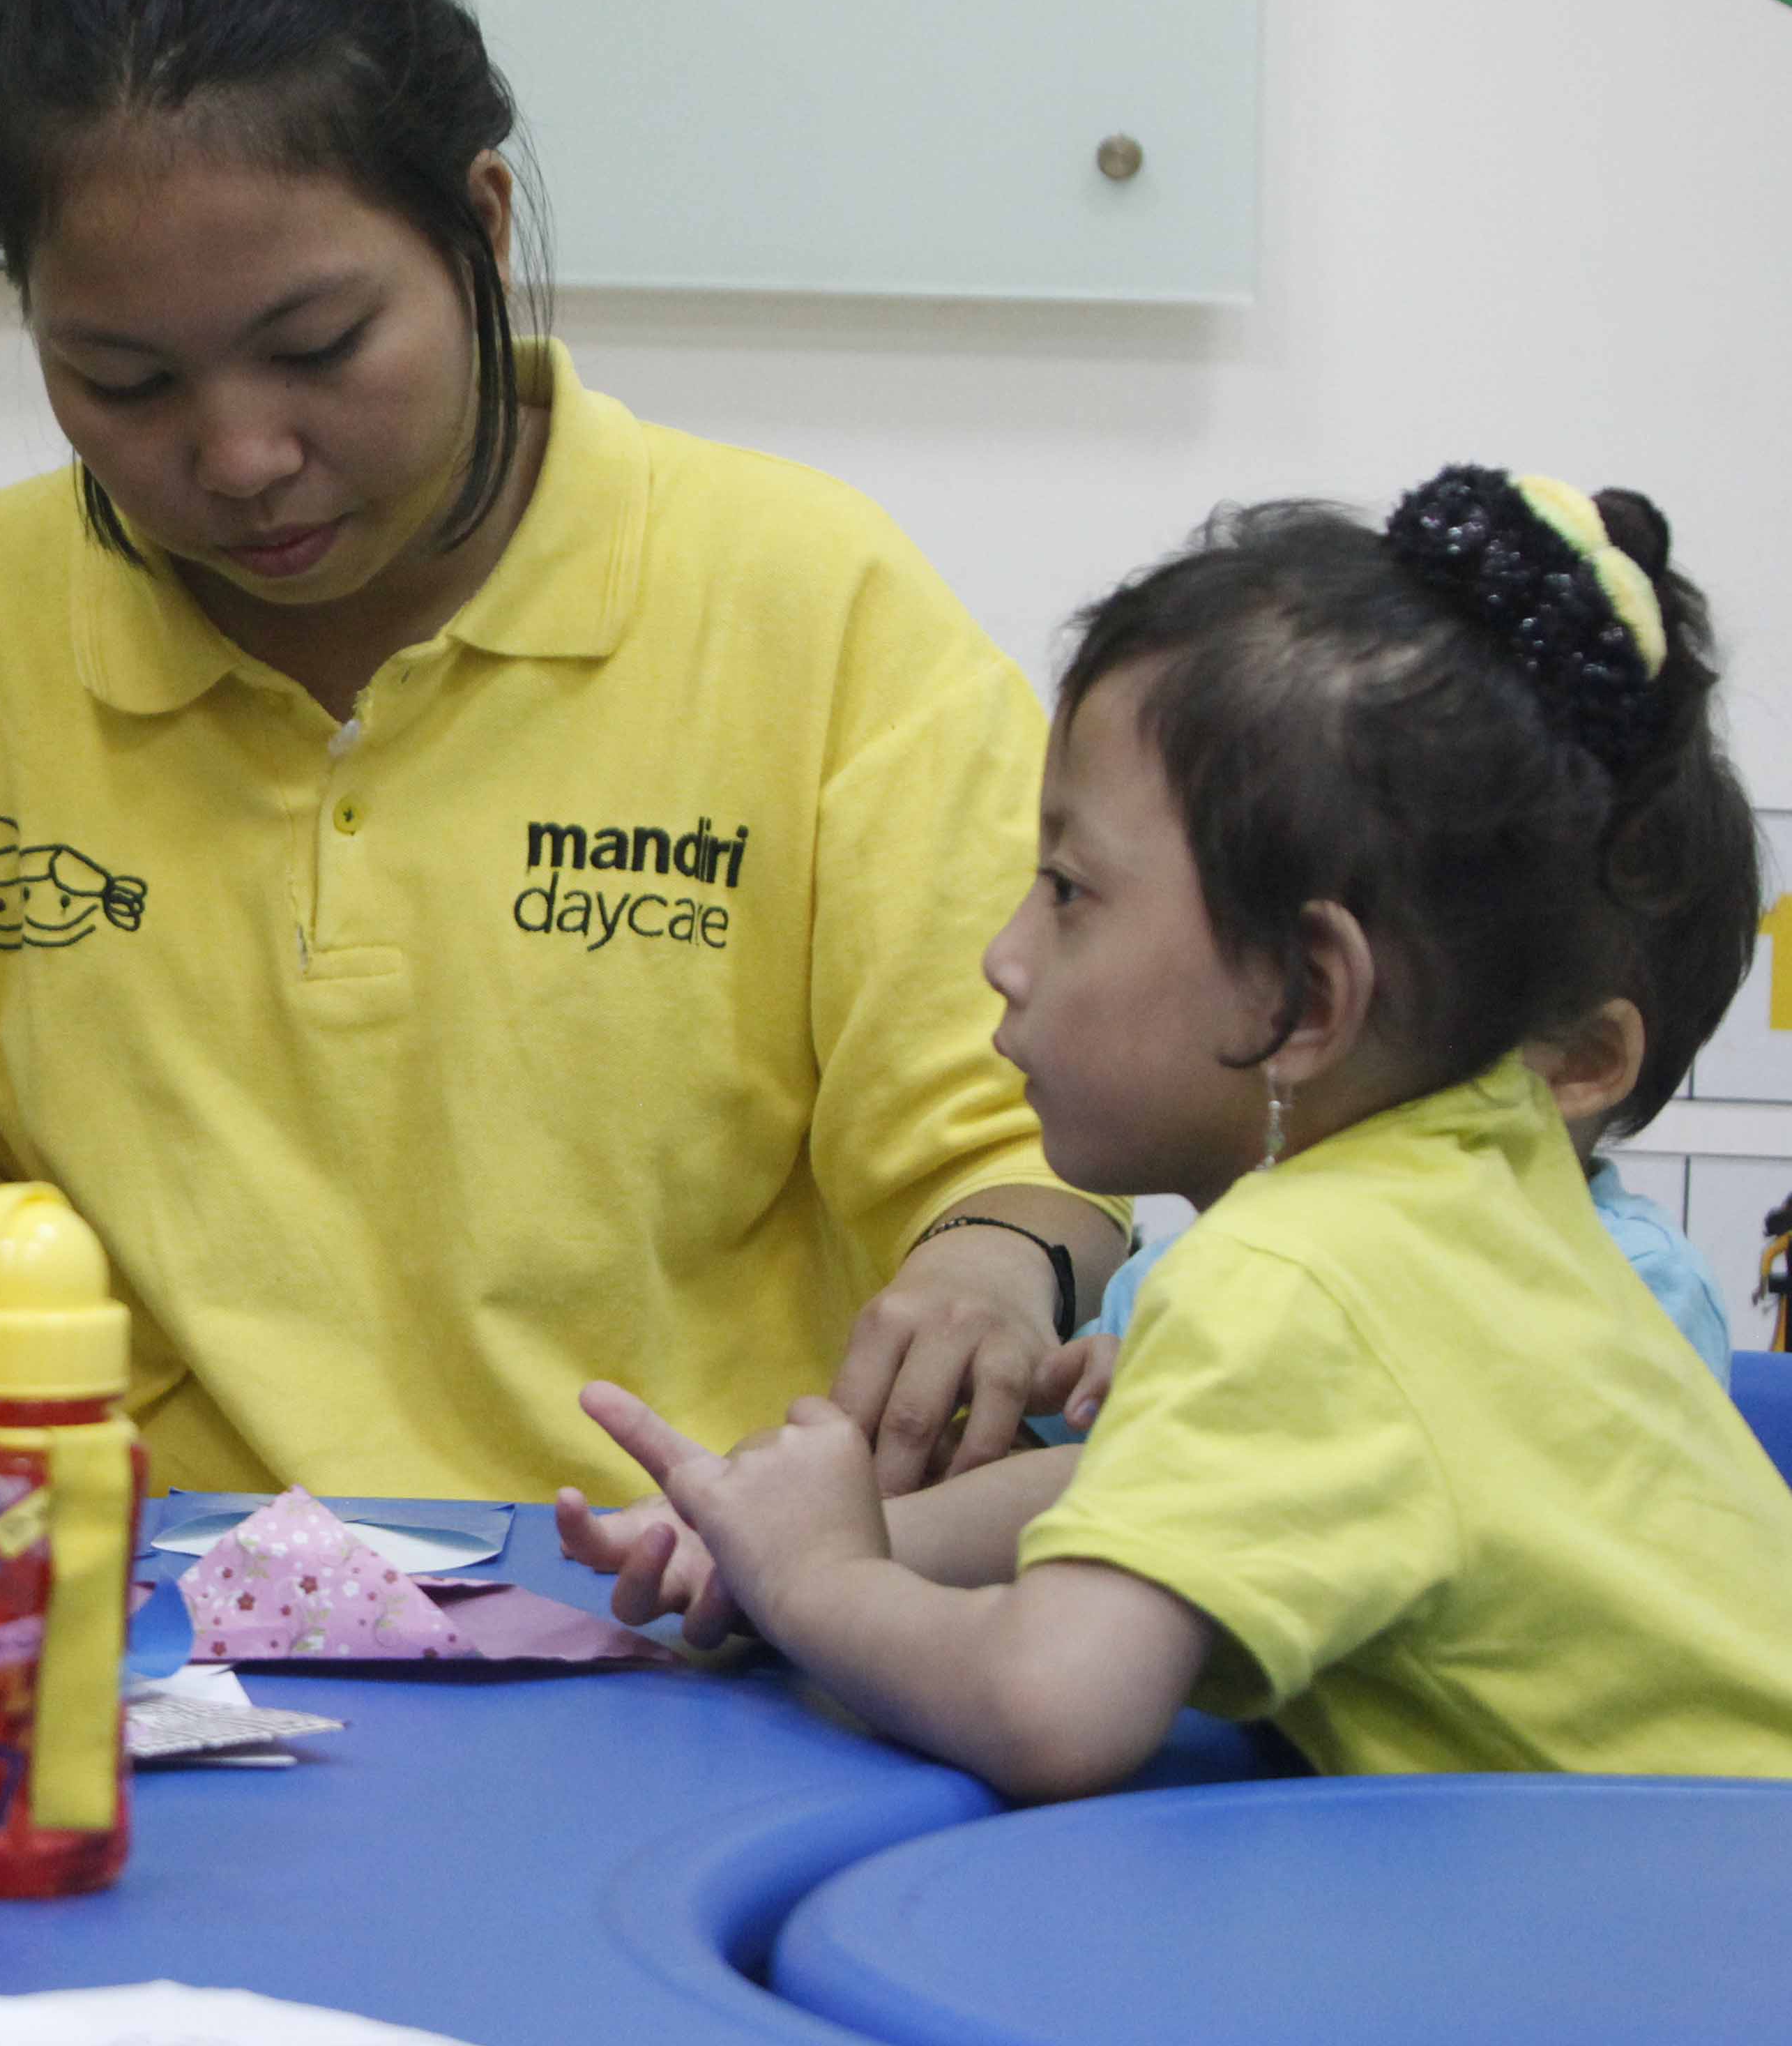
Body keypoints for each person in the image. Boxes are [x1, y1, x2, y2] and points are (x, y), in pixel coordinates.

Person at [0, 0, 1124, 1508]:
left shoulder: (807, 608)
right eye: (120, 379)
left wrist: (986, 1273)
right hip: (123, 1630)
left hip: (676, 1608)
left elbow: (1011, 1157)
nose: (238, 455)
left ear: (479, 219)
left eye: (317, 349)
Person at [576, 471, 1792, 1798]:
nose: (1002, 956)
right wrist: (794, 1535)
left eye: (1067, 890)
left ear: (1307, 993)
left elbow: (1055, 1704)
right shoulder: (1479, 1175)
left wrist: (821, 1577)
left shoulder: (1296, 1272)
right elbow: (1134, 1500)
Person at [1041, 628, 1759, 1418]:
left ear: (1580, 1061)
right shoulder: (1191, 1267)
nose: (1310, 1018)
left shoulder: (1624, 1283)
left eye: (1383, 985)